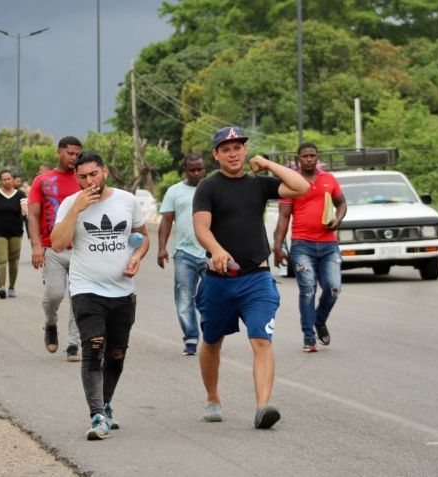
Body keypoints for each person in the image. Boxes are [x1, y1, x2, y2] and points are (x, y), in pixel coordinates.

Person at [192, 126, 309, 429]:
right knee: (212, 341)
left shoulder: (259, 185)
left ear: (245, 151)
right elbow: (201, 227)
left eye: (238, 147)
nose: (233, 154)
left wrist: (269, 164)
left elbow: (300, 187)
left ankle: (262, 407)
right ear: (216, 154)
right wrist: (217, 251)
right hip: (219, 281)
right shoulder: (208, 186)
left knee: (261, 340)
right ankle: (213, 397)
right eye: (226, 149)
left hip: (256, 278)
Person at [51, 152, 149, 440]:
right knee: (93, 349)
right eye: (82, 177)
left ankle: (106, 404)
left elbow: (142, 237)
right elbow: (58, 244)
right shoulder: (71, 204)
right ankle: (97, 415)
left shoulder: (127, 201)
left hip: (122, 291)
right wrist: (75, 210)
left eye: (93, 174)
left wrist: (137, 257)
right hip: (86, 290)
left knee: (116, 354)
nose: (88, 181)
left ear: (104, 171)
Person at [273, 143, 347, 352]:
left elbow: (341, 203)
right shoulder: (291, 182)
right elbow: (283, 217)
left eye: (312, 155)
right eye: (304, 156)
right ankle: (308, 336)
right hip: (302, 245)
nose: (308, 159)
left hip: (329, 245)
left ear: (317, 157)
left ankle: (319, 320)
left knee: (333, 288)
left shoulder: (329, 179)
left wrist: (338, 219)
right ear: (298, 158)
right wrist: (277, 246)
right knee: (307, 291)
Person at [28, 136, 84, 362]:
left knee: (80, 297)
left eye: (77, 154)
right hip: (54, 249)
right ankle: (50, 322)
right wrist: (36, 246)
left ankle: (73, 344)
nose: (74, 158)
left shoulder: (84, 179)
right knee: (55, 294)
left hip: (82, 249)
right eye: (70, 153)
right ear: (58, 152)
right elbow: (33, 214)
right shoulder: (43, 180)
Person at [156, 153, 208, 356]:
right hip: (184, 254)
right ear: (185, 170)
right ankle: (191, 337)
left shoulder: (213, 187)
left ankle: (211, 334)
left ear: (204, 168)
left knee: (211, 297)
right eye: (192, 169)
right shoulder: (174, 191)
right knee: (184, 297)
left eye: (200, 169)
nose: (196, 173)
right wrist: (161, 249)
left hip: (211, 254)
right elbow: (166, 221)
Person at [0, 170, 28, 299]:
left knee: (14, 260)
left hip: (15, 231)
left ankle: (12, 287)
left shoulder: (20, 194)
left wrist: (26, 211)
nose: (7, 181)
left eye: (9, 179)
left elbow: (24, 206)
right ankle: (2, 287)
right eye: (4, 179)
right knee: (2, 259)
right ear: (0, 181)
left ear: (13, 180)